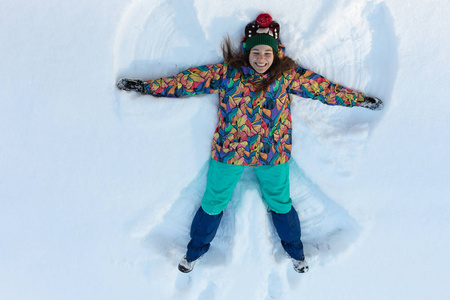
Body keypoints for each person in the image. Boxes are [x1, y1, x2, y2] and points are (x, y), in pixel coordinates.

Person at [117, 13, 383, 274]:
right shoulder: (228, 73)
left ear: (276, 53)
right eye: (256, 53)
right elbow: (185, 83)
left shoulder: (286, 75)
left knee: (281, 203)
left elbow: (324, 90)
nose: (261, 59)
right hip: (229, 151)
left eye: (267, 54)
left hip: (273, 152)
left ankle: (296, 254)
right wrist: (145, 87)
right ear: (247, 51)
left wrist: (359, 100)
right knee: (213, 202)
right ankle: (194, 252)